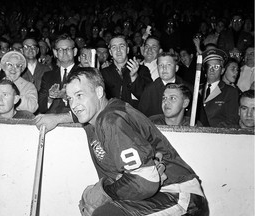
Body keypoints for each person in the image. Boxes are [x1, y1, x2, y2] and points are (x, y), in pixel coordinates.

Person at [61, 67, 207, 216]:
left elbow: (145, 180)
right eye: (70, 98)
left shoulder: (111, 120)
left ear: (99, 92)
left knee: (105, 213)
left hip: (179, 196)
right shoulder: (98, 117)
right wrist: (56, 118)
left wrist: (105, 194)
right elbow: (80, 113)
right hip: (160, 194)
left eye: (79, 95)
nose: (74, 105)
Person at [101, 35, 152, 109]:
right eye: (114, 47)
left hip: (135, 117)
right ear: (110, 52)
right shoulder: (104, 73)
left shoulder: (142, 70)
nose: (118, 50)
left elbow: (148, 98)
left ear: (127, 50)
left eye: (121, 46)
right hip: (111, 115)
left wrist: (134, 77)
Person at [138, 52, 193, 117]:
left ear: (176, 68)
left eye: (168, 65)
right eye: (161, 65)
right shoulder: (150, 90)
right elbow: (141, 117)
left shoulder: (188, 89)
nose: (164, 68)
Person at [38, 35, 79, 114]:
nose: (64, 52)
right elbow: (41, 107)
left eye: (68, 49)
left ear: (75, 51)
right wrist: (50, 98)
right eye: (60, 50)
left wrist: (66, 97)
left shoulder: (83, 74)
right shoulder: (47, 76)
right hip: (50, 121)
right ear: (55, 53)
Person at [201, 48, 239, 127]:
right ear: (204, 69)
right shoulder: (197, 89)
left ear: (222, 71)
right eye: (209, 66)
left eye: (216, 66)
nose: (212, 69)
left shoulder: (230, 92)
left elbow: (232, 120)